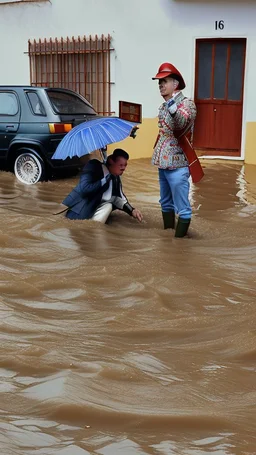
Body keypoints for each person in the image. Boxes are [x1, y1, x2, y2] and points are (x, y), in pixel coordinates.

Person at [152, 62, 197, 237]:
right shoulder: (163, 107)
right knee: (165, 203)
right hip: (163, 163)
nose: (161, 85)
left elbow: (180, 123)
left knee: (183, 208)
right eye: (159, 82)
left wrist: (172, 108)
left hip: (178, 164)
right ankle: (167, 239)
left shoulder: (187, 104)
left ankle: (179, 246)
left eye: (164, 81)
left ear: (175, 84)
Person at [62, 148, 143, 224]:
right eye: (121, 165)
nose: (123, 168)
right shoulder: (93, 166)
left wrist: (132, 210)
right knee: (107, 206)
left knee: (108, 205)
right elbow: (84, 189)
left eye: (125, 165)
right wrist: (105, 179)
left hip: (98, 210)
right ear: (111, 161)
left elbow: (117, 198)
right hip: (79, 215)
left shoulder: (115, 177)